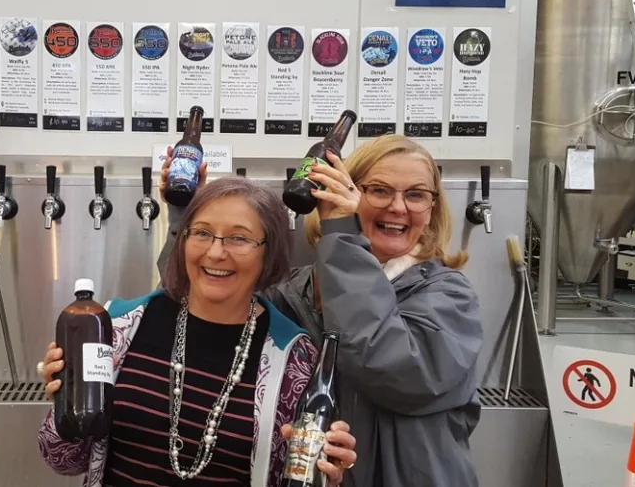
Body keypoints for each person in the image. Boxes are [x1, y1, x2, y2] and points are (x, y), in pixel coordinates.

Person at [157, 134, 484, 487]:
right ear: (337, 192)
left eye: (416, 195)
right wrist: (188, 216)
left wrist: (343, 234)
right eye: (379, 190)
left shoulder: (450, 296)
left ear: (432, 208)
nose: (398, 207)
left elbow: (393, 368)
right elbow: (196, 311)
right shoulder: (293, 292)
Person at [36, 177, 358, 487]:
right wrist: (66, 407)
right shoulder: (117, 327)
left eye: (239, 238)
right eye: (202, 233)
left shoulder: (294, 359)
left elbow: (299, 474)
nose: (216, 253)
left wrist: (324, 474)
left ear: (267, 252)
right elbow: (63, 460)